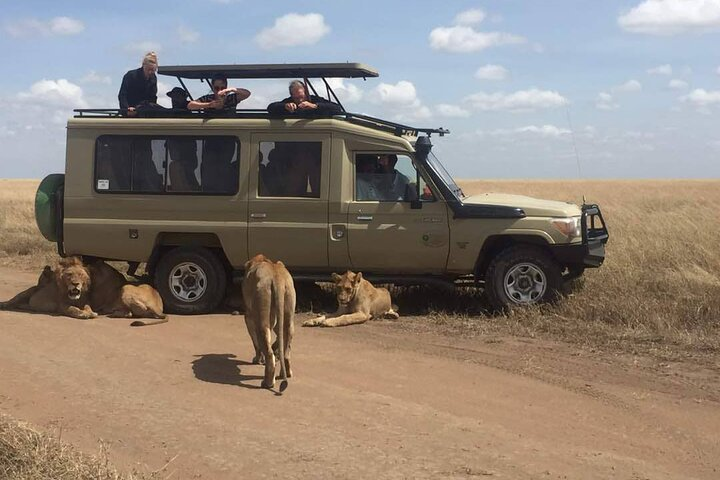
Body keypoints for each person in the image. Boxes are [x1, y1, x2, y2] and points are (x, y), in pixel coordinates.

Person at [165, 88, 200, 191]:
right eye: (173, 98)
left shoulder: (188, 113)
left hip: (186, 154)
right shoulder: (176, 167)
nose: (174, 100)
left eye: (177, 98)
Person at [267, 80, 342, 116]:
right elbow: (270, 108)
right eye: (296, 98)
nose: (300, 100)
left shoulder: (314, 100)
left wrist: (315, 106)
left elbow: (337, 108)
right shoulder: (289, 101)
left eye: (301, 97)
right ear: (292, 95)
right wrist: (285, 106)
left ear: (306, 92)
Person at [118, 52, 159, 117]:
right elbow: (122, 95)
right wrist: (127, 109)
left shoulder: (153, 79)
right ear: (143, 65)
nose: (150, 72)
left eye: (153, 70)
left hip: (145, 112)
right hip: (130, 111)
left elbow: (153, 97)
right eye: (148, 69)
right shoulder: (131, 75)